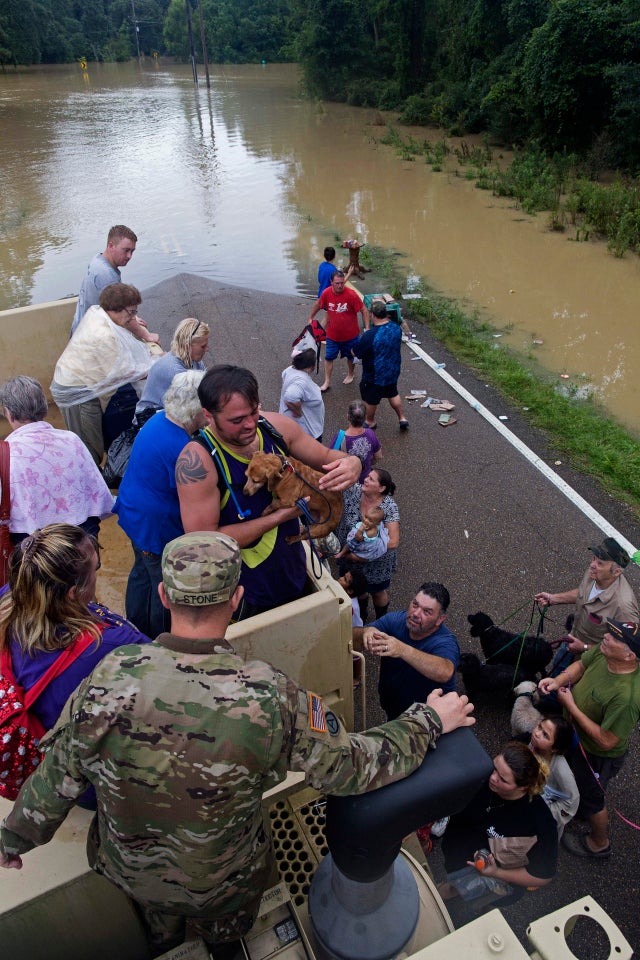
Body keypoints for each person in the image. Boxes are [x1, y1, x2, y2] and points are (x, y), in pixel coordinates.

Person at [0, 531, 476, 957]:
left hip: (134, 870)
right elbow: (351, 766)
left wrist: (14, 839)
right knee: (226, 934)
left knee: (160, 927)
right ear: (237, 599)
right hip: (222, 880)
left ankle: (167, 941)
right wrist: (429, 720)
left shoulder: (109, 675)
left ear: (165, 595)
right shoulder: (267, 696)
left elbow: (55, 778)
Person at [176, 365, 362, 621]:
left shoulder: (274, 427)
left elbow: (328, 458)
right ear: (208, 415)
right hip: (244, 596)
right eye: (237, 420)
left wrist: (354, 463)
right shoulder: (198, 463)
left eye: (254, 412)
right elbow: (205, 542)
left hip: (292, 573)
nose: (251, 424)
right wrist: (280, 517)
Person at [0, 524, 151, 803]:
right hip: (92, 782)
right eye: (96, 567)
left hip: (52, 762)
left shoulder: (10, 598)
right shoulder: (109, 646)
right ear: (72, 593)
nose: (98, 573)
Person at [538, 615, 640, 859]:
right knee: (575, 782)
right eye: (610, 632)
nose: (606, 637)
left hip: (596, 755)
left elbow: (606, 740)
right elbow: (581, 665)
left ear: (630, 656)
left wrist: (570, 706)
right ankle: (577, 807)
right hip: (577, 740)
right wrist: (558, 680)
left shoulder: (626, 697)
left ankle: (599, 843)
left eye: (615, 637)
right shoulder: (605, 653)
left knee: (593, 800)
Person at [114, 370, 206, 638]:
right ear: (195, 409)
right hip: (156, 529)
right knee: (164, 589)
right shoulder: (182, 448)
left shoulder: (158, 421)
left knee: (141, 574)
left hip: (134, 517)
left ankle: (134, 626)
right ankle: (159, 640)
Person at [439, 742, 557, 919]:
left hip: (489, 879)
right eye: (494, 769)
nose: (493, 778)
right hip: (455, 855)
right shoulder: (482, 776)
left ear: (523, 787)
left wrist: (496, 873)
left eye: (503, 779)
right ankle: (452, 890)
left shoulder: (540, 824)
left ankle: (483, 911)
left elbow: (542, 876)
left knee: (482, 906)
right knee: (452, 886)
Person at [51, 283, 158, 465]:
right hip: (77, 391)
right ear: (116, 309)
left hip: (75, 381)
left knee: (90, 438)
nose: (133, 318)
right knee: (89, 443)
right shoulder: (103, 335)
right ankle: (91, 480)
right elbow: (127, 373)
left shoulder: (97, 312)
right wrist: (157, 365)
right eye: (131, 312)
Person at [0, 376, 114, 543]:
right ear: (45, 407)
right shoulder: (71, 439)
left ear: (8, 413)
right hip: (80, 539)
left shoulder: (4, 452)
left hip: (33, 548)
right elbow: (97, 492)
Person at [353, 582, 460, 721]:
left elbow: (445, 671)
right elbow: (350, 639)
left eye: (427, 611)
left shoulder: (445, 643)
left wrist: (402, 649)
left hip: (427, 721)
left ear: (440, 619)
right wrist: (365, 632)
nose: (415, 614)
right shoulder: (396, 620)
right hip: (393, 708)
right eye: (415, 605)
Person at [535, 537, 639, 656]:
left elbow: (628, 649)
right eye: (594, 558)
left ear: (616, 572)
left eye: (600, 563)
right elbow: (583, 593)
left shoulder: (624, 607)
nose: (592, 565)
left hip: (592, 660)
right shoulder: (595, 573)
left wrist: (585, 647)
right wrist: (553, 598)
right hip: (573, 639)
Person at [336, 467, 399, 620]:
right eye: (367, 476)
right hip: (350, 557)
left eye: (371, 479)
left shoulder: (389, 506)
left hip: (376, 563)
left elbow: (394, 542)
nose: (365, 479)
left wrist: (363, 555)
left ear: (381, 488)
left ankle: (381, 621)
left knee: (377, 591)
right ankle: (362, 615)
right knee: (358, 591)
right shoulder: (353, 491)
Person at [308, 271, 370, 392]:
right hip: (332, 336)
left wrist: (367, 328)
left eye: (342, 283)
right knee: (329, 357)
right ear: (331, 282)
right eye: (337, 283)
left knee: (351, 357)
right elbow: (318, 304)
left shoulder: (351, 295)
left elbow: (364, 310)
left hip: (351, 336)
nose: (340, 286)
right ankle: (327, 381)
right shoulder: (326, 293)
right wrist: (311, 317)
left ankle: (351, 374)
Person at [71, 225, 139, 335]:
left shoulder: (98, 259)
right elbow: (121, 313)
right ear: (111, 246)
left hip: (80, 328)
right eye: (126, 250)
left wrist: (133, 317)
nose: (129, 256)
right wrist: (147, 335)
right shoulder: (107, 275)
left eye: (132, 251)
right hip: (89, 338)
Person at [352, 300, 409, 431]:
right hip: (392, 370)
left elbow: (356, 352)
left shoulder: (370, 336)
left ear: (373, 315)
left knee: (371, 399)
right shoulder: (396, 328)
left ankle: (370, 421)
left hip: (375, 374)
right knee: (393, 393)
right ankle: (402, 418)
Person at [136, 317, 210, 416]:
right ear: (187, 346)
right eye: (203, 346)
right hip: (149, 418)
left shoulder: (195, 361)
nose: (207, 349)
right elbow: (200, 401)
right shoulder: (174, 371)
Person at [524, 716, 579, 836]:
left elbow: (572, 802)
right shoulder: (534, 745)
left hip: (539, 822)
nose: (537, 734)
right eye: (539, 727)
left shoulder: (562, 773)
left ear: (554, 748)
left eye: (545, 735)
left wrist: (543, 813)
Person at [278, 347, 324, 440]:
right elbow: (290, 397)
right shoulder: (301, 382)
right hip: (307, 433)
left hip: (290, 425)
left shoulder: (290, 369)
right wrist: (297, 411)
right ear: (311, 366)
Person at [328, 399, 382, 480]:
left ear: (348, 417)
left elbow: (329, 459)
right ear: (365, 418)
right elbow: (378, 456)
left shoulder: (340, 437)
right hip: (365, 480)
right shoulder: (370, 433)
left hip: (347, 481)